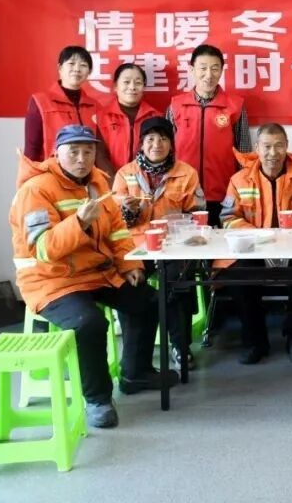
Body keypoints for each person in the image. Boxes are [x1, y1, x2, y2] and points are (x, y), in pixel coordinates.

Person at [10, 124, 173, 429]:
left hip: (96, 273)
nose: (82, 159)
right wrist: (79, 223)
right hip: (51, 281)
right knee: (89, 323)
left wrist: (129, 265)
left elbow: (117, 231)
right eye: (73, 152)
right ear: (56, 154)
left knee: (148, 300)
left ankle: (135, 373)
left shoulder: (97, 182)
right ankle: (98, 400)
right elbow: (44, 249)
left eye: (88, 152)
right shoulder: (35, 190)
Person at [217, 124, 292, 365]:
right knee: (238, 276)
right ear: (257, 148)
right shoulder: (239, 180)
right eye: (266, 146)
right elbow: (228, 218)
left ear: (287, 147)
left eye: (278, 146)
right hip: (253, 248)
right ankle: (254, 341)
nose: (272, 153)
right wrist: (257, 236)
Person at [112, 116, 205, 369]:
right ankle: (134, 355)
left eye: (163, 138)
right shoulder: (125, 174)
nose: (157, 144)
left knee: (177, 281)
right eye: (150, 139)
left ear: (171, 144)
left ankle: (180, 346)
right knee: (129, 285)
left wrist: (181, 224)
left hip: (175, 245)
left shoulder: (186, 173)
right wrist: (129, 211)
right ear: (141, 144)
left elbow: (198, 213)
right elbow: (114, 221)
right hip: (136, 245)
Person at [166, 44, 251, 226]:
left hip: (223, 193)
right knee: (185, 242)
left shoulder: (235, 106)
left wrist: (242, 190)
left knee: (221, 242)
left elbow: (244, 154)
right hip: (182, 193)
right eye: (203, 68)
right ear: (192, 70)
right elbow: (166, 152)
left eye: (214, 68)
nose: (209, 74)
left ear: (221, 71)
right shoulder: (176, 106)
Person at [23, 45, 111, 174]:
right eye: (71, 63)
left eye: (83, 65)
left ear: (89, 72)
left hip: (86, 176)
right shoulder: (40, 101)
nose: (77, 69)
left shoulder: (95, 106)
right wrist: (30, 179)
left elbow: (100, 150)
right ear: (60, 68)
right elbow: (32, 149)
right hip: (51, 175)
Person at [99, 63, 160, 171]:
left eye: (138, 83)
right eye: (126, 82)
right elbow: (99, 155)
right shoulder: (101, 117)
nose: (132, 87)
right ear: (116, 86)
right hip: (110, 179)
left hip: (146, 179)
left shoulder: (156, 117)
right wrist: (115, 179)